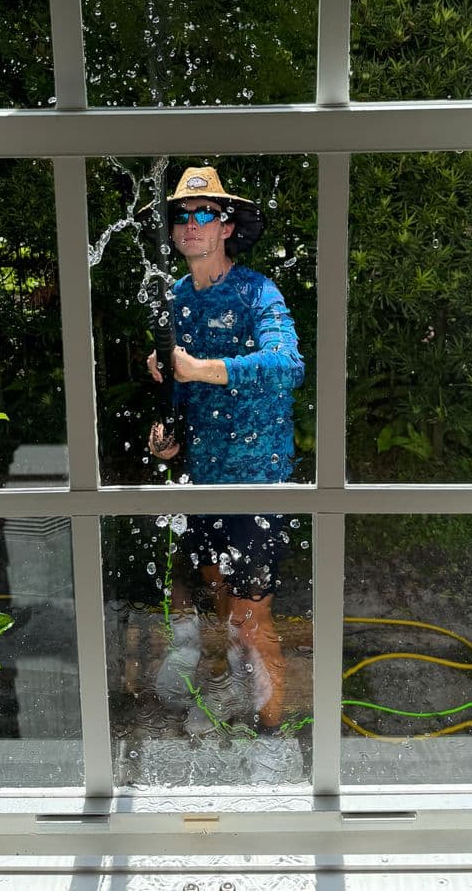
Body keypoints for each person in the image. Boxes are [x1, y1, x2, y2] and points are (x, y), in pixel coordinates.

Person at [143, 166, 304, 747]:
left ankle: (272, 738)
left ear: (227, 225)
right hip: (202, 477)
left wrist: (197, 368)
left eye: (204, 213)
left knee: (251, 617)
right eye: (182, 216)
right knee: (219, 594)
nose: (191, 225)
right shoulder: (179, 298)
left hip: (257, 480)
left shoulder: (258, 292)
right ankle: (241, 690)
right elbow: (182, 394)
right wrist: (170, 431)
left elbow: (289, 367)